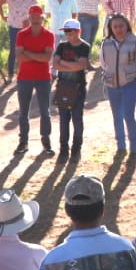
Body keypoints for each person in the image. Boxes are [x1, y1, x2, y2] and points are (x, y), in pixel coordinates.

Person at [101, 12, 136, 161]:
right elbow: (103, 63)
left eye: (121, 26)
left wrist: (134, 73)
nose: (118, 29)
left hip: (130, 83)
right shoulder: (106, 43)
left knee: (128, 115)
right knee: (117, 116)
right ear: (110, 27)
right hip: (112, 84)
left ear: (127, 26)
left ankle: (134, 147)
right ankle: (121, 146)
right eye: (115, 26)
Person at [13, 5, 55, 158]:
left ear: (43, 18)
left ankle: (46, 141)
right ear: (29, 18)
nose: (36, 20)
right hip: (24, 77)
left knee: (45, 111)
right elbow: (20, 57)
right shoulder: (21, 34)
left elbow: (47, 58)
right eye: (33, 17)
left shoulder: (49, 35)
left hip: (43, 77)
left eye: (38, 17)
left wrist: (28, 53)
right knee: (23, 112)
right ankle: (23, 142)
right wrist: (38, 55)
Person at [52, 18, 91, 163]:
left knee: (77, 119)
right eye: (66, 31)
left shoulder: (84, 47)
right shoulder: (62, 46)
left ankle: (76, 149)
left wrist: (63, 62)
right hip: (63, 87)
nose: (67, 34)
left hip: (78, 87)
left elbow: (80, 66)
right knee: (63, 120)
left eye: (70, 31)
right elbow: (55, 65)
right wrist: (70, 65)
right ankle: (63, 150)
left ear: (78, 31)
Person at [0, 0, 40, 83]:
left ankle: (24, 72)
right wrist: (2, 16)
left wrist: (31, 22)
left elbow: (37, 12)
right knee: (13, 50)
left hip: (27, 28)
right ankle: (11, 74)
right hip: (14, 26)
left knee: (27, 50)